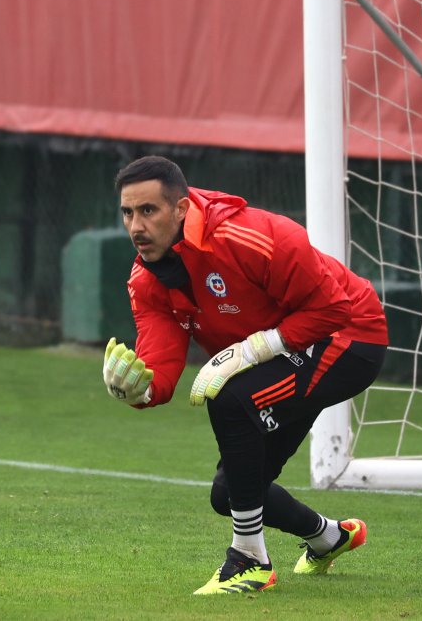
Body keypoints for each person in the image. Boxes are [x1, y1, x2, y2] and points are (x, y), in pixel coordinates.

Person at [102, 156, 388, 595]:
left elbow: (334, 308)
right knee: (230, 494)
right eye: (127, 212)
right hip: (298, 348)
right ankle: (329, 536)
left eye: (148, 211)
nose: (136, 226)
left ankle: (249, 560)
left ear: (180, 209)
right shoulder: (147, 282)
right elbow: (159, 377)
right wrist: (135, 389)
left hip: (350, 337)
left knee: (232, 399)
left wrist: (257, 348)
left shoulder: (251, 236)